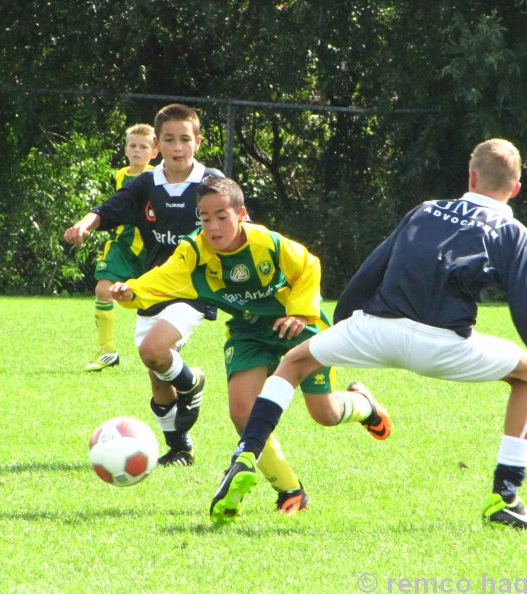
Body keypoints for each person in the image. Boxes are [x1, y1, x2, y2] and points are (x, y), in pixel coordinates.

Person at [209, 138, 527, 528]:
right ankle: (506, 495)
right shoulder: (513, 233)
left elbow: (372, 270)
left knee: (294, 361)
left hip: (375, 329)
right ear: (514, 189)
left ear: (472, 177)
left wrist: (345, 326)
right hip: (444, 347)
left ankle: (247, 453)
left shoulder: (425, 210)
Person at [109, 176, 389, 515]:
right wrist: (133, 291)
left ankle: (364, 404)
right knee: (242, 412)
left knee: (324, 413)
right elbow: (165, 277)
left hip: (295, 324)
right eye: (204, 217)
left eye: (221, 216)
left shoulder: (266, 243)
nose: (212, 226)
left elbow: (308, 265)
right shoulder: (194, 251)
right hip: (248, 332)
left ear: (241, 214)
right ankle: (290, 490)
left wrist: (300, 312)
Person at [65, 104, 224, 466]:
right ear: (158, 145)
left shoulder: (211, 182)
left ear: (197, 142)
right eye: (169, 139)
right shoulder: (147, 183)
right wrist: (86, 224)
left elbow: (239, 223)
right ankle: (179, 448)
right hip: (152, 285)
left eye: (185, 139)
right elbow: (111, 207)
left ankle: (191, 383)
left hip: (194, 287)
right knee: (155, 371)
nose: (178, 147)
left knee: (155, 349)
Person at [84, 123, 158, 372]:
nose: (137, 150)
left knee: (156, 301)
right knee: (103, 289)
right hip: (121, 244)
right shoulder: (120, 175)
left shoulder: (158, 176)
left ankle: (166, 349)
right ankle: (107, 351)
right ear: (125, 149)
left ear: (154, 151)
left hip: (150, 246)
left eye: (143, 147)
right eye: (132, 145)